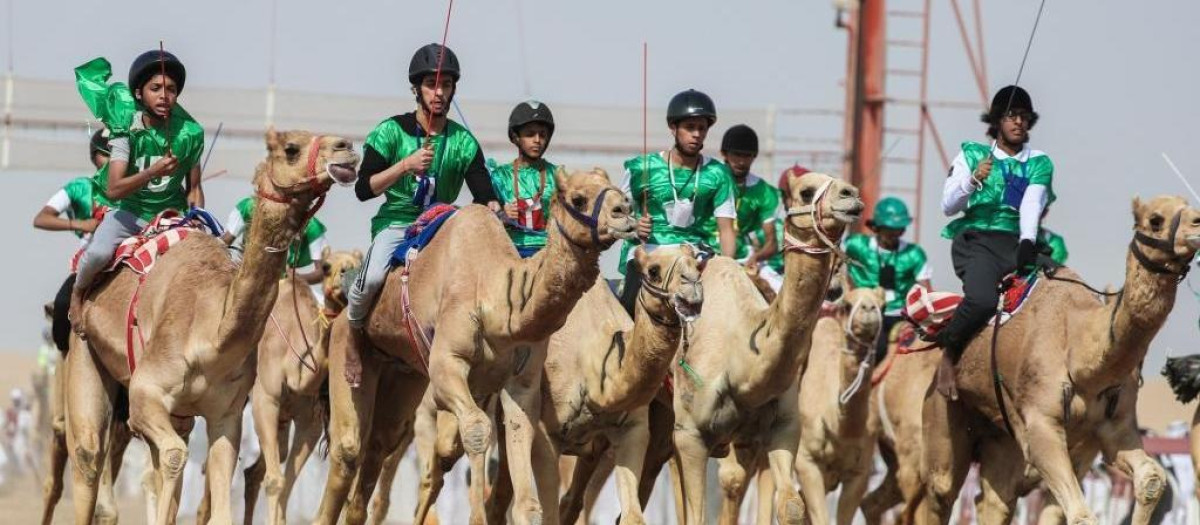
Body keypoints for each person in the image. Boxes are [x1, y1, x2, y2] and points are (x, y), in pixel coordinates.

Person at [345, 43, 500, 385]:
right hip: (396, 223)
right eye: (431, 84)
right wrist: (405, 165)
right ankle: (353, 338)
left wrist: (495, 207)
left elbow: (485, 195)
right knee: (371, 280)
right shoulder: (390, 131)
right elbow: (363, 189)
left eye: (446, 85)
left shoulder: (464, 142)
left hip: (442, 225)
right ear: (416, 88)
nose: (439, 92)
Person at [68, 50, 206, 337]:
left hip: (171, 216)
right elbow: (114, 188)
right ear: (139, 94)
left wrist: (196, 215)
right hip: (130, 213)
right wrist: (153, 172)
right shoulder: (125, 131)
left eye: (171, 89)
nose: (164, 95)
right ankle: (77, 295)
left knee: (212, 260)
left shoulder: (191, 134)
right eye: (156, 88)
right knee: (98, 253)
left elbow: (194, 189)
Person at [937, 85, 1054, 398]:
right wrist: (972, 180)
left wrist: (1027, 241)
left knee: (1063, 286)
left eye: (1024, 117)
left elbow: (1032, 203)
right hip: (978, 241)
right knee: (982, 301)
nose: (1018, 122)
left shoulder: (1039, 162)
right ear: (997, 121)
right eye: (1011, 116)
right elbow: (948, 206)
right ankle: (949, 353)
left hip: (1018, 241)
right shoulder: (972, 154)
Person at [619, 89, 737, 314]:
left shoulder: (719, 173)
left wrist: (728, 269)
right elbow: (618, 218)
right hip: (650, 251)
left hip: (695, 253)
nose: (697, 134)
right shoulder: (641, 168)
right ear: (673, 127)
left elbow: (726, 230)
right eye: (690, 127)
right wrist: (634, 227)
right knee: (628, 309)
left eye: (702, 128)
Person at [843, 197, 931, 361]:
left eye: (898, 229)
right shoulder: (856, 245)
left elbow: (926, 292)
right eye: (889, 229)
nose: (894, 234)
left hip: (899, 315)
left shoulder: (914, 254)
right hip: (864, 311)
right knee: (876, 348)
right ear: (877, 227)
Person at [489, 100, 558, 258]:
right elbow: (481, 219)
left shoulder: (558, 176)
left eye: (542, 134)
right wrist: (502, 217)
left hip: (549, 254)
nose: (537, 140)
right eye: (530, 134)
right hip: (510, 253)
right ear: (516, 137)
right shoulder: (499, 177)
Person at [717, 124, 781, 276]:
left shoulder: (763, 191)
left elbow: (771, 243)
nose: (741, 161)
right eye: (736, 155)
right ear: (724, 153)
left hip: (743, 257)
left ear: (754, 156)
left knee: (779, 287)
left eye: (747, 156)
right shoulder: (708, 179)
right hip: (703, 252)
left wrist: (757, 257)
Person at [222, 196, 329, 284]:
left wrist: (293, 279)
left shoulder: (313, 228)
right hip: (244, 273)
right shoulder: (249, 207)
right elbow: (224, 243)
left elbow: (321, 272)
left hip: (282, 283)